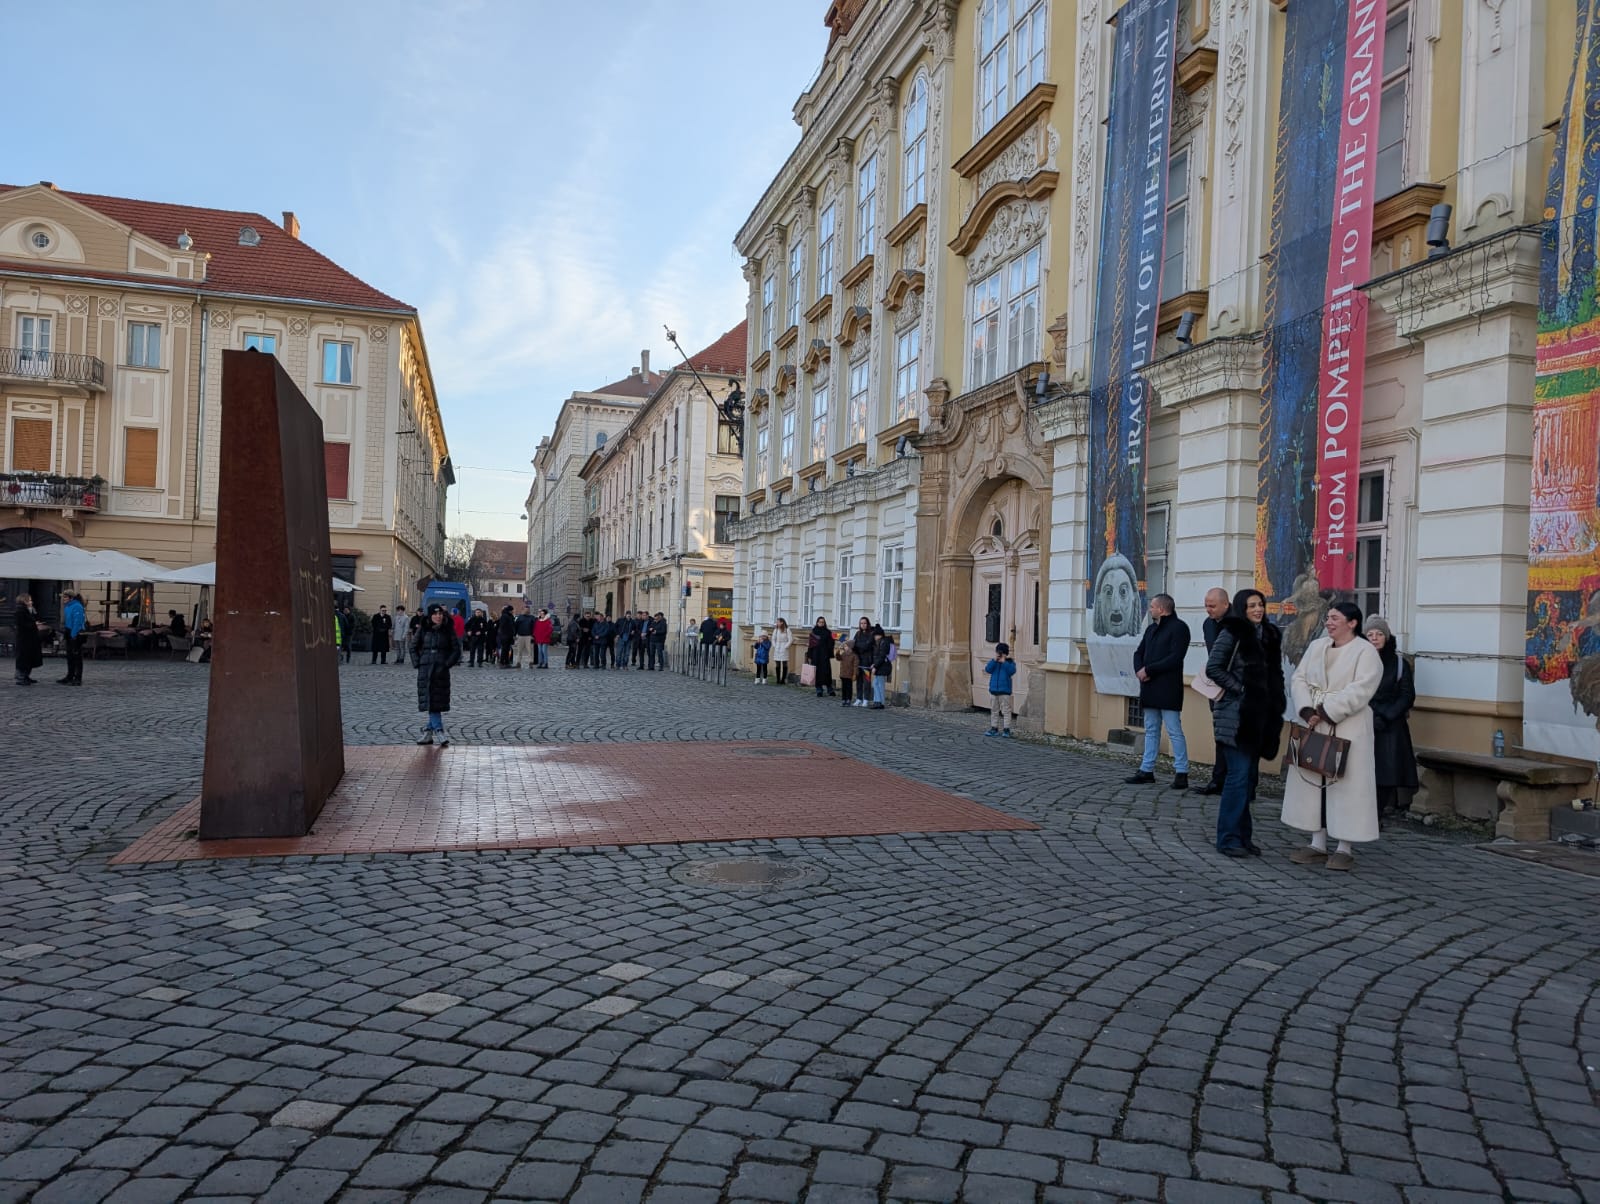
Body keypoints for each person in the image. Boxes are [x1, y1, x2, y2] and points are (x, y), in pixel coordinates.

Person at [1284, 602, 1384, 871]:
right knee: (1313, 777)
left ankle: (1344, 846)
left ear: (1352, 623)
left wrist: (1328, 710)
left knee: (1346, 784)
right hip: (1314, 723)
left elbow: (1362, 689)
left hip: (1347, 725)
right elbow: (1299, 678)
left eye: (1335, 618)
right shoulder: (1317, 646)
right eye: (1328, 617)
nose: (1328, 622)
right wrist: (1306, 709)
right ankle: (1316, 842)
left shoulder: (1365, 652)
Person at [1205, 589, 1287, 858]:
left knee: (1249, 781)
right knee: (1237, 778)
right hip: (1236, 717)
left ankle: (1243, 837)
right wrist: (1240, 689)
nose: (1257, 610)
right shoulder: (1232, 633)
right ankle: (1227, 838)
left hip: (1260, 719)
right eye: (1251, 606)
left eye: (1260, 605)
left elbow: (1276, 673)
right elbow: (1213, 668)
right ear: (1242, 608)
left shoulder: (1270, 635)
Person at [1125, 593, 1192, 789]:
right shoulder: (1151, 629)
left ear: (1162, 609)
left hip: (1168, 687)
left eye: (1152, 606)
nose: (1150, 609)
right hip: (1149, 686)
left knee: (1174, 731)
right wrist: (1139, 670)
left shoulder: (1179, 628)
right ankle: (1146, 770)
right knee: (1151, 730)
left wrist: (1149, 670)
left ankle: (1182, 772)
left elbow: (1175, 658)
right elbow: (1139, 652)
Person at [1365, 616, 1419, 820]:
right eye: (1370, 634)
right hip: (1365, 720)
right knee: (1364, 770)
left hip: (1391, 725)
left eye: (1379, 634)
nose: (1375, 638)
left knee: (1387, 771)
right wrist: (1371, 714)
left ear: (1386, 637)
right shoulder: (1359, 661)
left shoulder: (1399, 663)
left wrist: (1387, 715)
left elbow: (1407, 695)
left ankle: (1378, 812)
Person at [1194, 587, 1232, 796]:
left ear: (1226, 604)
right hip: (1216, 687)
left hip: (1235, 689)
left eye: (1212, 606)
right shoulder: (1208, 624)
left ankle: (1240, 785)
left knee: (1238, 738)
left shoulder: (1238, 623)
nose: (1208, 610)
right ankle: (1218, 781)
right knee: (1219, 735)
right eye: (1206, 605)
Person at [410, 604, 461, 746]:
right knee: (431, 700)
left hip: (441, 669)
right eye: (435, 614)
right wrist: (418, 663)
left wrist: (446, 664)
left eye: (440, 614)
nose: (438, 617)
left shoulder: (448, 630)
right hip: (426, 669)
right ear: (430, 615)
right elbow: (413, 647)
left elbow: (456, 650)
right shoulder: (423, 629)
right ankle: (437, 730)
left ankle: (430, 731)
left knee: (435, 701)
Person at [984, 642, 1017, 736]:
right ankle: (994, 728)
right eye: (998, 652)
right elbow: (988, 669)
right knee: (994, 710)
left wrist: (1004, 662)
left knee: (1006, 711)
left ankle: (1006, 729)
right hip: (994, 690)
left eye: (1001, 653)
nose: (999, 654)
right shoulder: (994, 662)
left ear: (1005, 654)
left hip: (1005, 691)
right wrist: (994, 660)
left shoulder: (1010, 662)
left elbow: (1012, 671)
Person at [13, 593, 43, 686]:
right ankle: (21, 677)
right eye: (29, 600)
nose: (31, 602)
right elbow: (22, 625)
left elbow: (33, 619)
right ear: (24, 601)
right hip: (24, 639)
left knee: (29, 658)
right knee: (23, 658)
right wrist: (35, 625)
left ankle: (26, 676)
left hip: (30, 638)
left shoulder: (30, 609)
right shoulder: (20, 611)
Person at [59, 591, 86, 687]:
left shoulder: (77, 606)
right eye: (63, 597)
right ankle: (70, 676)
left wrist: (73, 635)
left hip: (76, 634)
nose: (63, 599)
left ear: (71, 598)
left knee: (77, 657)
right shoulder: (67, 607)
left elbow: (77, 621)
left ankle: (78, 678)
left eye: (65, 597)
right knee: (70, 656)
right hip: (69, 631)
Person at [850, 617, 875, 708]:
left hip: (867, 662)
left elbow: (867, 646)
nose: (863, 625)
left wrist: (858, 646)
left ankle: (866, 699)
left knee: (867, 682)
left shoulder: (871, 634)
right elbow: (853, 644)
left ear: (867, 624)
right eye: (861, 623)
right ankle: (859, 698)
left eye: (864, 623)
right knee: (859, 681)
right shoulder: (858, 633)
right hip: (858, 661)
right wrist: (857, 646)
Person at [808, 618, 836, 697]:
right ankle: (819, 689)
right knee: (817, 673)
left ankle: (830, 689)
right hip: (816, 655)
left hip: (824, 655)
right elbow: (810, 645)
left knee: (827, 672)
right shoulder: (813, 632)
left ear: (824, 623)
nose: (821, 623)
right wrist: (810, 656)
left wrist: (831, 641)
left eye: (823, 622)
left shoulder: (827, 632)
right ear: (817, 623)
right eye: (820, 622)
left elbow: (831, 643)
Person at [869, 626, 893, 709]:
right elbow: (878, 656)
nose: (874, 637)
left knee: (878, 684)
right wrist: (874, 664)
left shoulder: (883, 642)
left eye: (875, 635)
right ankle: (879, 702)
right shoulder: (881, 642)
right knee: (878, 684)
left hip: (882, 667)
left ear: (879, 635)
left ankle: (879, 702)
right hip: (880, 666)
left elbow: (881, 656)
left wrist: (875, 666)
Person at [835, 634, 858, 706]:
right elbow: (838, 658)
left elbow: (855, 666)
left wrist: (854, 674)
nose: (844, 647)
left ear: (850, 647)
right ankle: (843, 699)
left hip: (850, 674)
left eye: (846, 646)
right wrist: (837, 652)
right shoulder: (843, 654)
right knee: (844, 687)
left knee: (849, 687)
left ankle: (848, 699)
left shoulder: (854, 656)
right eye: (844, 646)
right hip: (843, 674)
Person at [772, 618, 793, 685]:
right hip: (777, 647)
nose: (777, 623)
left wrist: (786, 646)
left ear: (782, 622)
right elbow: (773, 639)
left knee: (784, 663)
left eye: (778, 622)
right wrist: (775, 646)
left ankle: (783, 679)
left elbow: (790, 640)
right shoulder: (775, 630)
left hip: (784, 647)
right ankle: (778, 679)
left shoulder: (787, 630)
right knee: (777, 664)